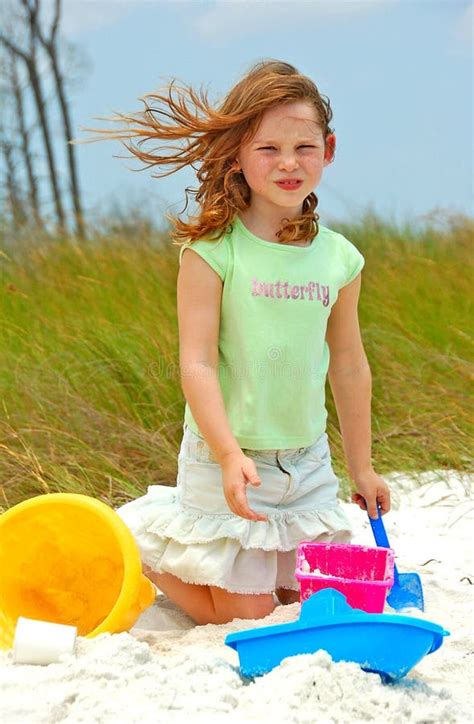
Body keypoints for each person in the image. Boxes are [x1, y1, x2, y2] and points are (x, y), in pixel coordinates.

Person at [75, 59, 391, 626]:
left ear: (330, 148)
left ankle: (232, 557)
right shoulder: (213, 251)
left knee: (314, 604)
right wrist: (226, 454)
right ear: (239, 155)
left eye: (305, 147)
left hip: (307, 464)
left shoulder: (340, 257)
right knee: (244, 616)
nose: (289, 163)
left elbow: (348, 363)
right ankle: (141, 550)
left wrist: (361, 468)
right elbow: (195, 363)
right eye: (268, 149)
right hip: (228, 458)